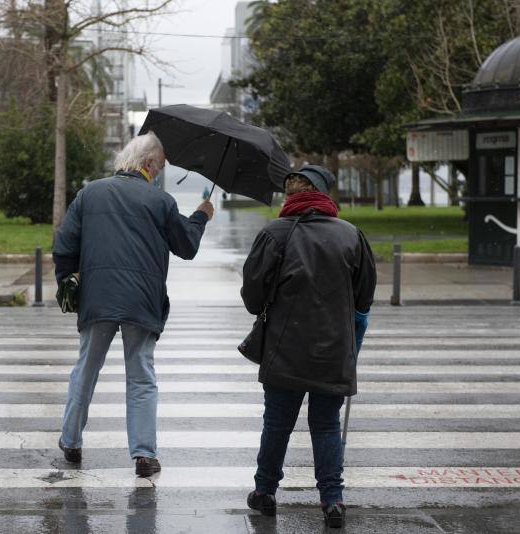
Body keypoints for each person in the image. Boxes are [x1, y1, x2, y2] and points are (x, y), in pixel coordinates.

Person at [53, 131, 215, 477]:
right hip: (142, 299)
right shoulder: (160, 202)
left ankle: (70, 440)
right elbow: (186, 245)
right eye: (160, 165)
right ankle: (144, 455)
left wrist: (69, 282)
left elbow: (64, 245)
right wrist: (201, 215)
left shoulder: (90, 193)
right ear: (148, 163)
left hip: (97, 296)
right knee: (141, 375)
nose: (160, 171)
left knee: (86, 369)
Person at [240, 164, 376, 528]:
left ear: (292, 196)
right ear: (325, 194)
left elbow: (252, 298)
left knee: (277, 422)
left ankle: (265, 492)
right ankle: (332, 500)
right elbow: (364, 298)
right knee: (326, 424)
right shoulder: (351, 235)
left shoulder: (274, 234)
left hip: (284, 349)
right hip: (333, 350)